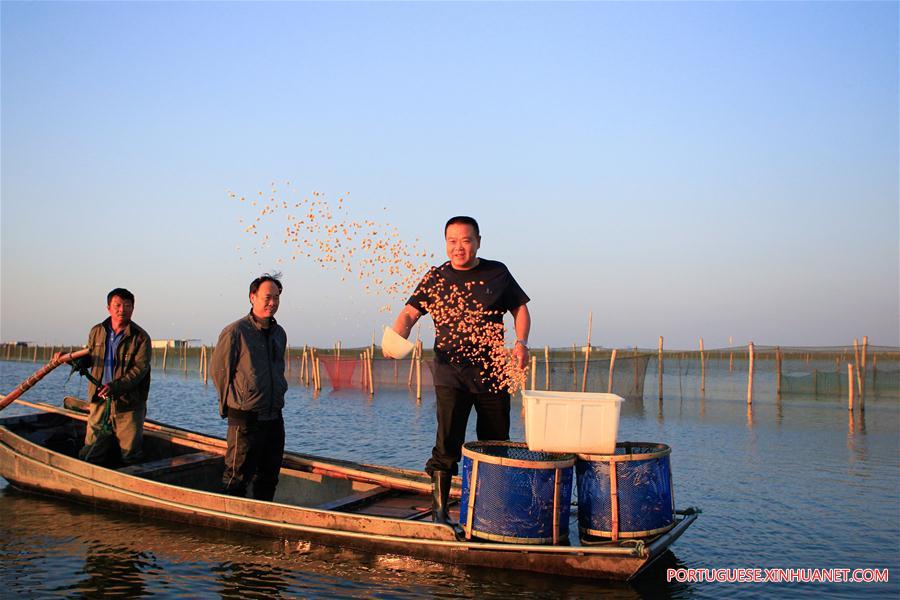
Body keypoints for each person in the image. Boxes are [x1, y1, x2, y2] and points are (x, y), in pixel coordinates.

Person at [386, 216, 531, 525]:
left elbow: (520, 308)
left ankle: (492, 512)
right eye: (452, 241)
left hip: (493, 373)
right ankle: (440, 514)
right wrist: (396, 337)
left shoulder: (497, 272)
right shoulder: (436, 278)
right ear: (445, 243)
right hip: (450, 373)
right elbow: (409, 313)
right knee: (448, 443)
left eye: (466, 241)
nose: (459, 247)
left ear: (478, 241)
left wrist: (521, 342)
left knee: (495, 442)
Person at [210, 273, 289, 501]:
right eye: (267, 297)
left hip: (274, 416)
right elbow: (219, 372)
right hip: (245, 418)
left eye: (276, 298)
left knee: (269, 476)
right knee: (237, 477)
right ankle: (228, 518)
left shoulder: (279, 333)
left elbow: (278, 370)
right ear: (252, 297)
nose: (272, 303)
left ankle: (263, 516)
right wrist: (231, 406)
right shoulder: (236, 331)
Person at [69, 288, 152, 465]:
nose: (122, 310)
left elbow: (140, 370)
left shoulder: (141, 337)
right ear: (108, 308)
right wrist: (71, 360)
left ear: (133, 309)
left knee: (130, 453)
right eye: (118, 305)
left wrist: (115, 387)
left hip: (128, 404)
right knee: (90, 448)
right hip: (99, 400)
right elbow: (91, 358)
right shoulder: (97, 331)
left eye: (127, 306)